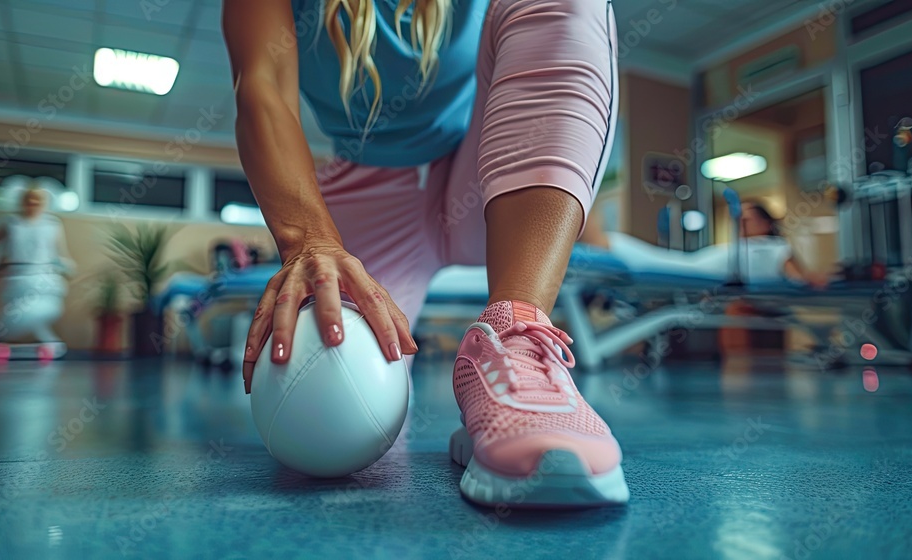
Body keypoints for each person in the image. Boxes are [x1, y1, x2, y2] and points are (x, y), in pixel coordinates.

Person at [225, 0, 627, 505]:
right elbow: (261, 86)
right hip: (367, 191)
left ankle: (516, 339)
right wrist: (310, 240)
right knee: (326, 394)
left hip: (481, 177)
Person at [580, 199, 830, 287]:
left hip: (696, 271)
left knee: (615, 245)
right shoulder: (741, 246)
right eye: (737, 219)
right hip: (693, 263)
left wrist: (813, 279)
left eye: (747, 220)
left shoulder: (777, 248)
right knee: (618, 244)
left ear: (766, 224)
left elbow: (800, 278)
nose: (740, 225)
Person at [0, 186, 74, 344]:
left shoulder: (53, 225)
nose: (33, 203)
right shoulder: (12, 223)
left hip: (43, 277)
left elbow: (59, 251)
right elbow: (4, 246)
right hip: (17, 277)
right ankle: (3, 340)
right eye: (29, 200)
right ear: (23, 202)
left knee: (41, 309)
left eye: (37, 200)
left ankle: (49, 342)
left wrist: (67, 265)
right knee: (19, 313)